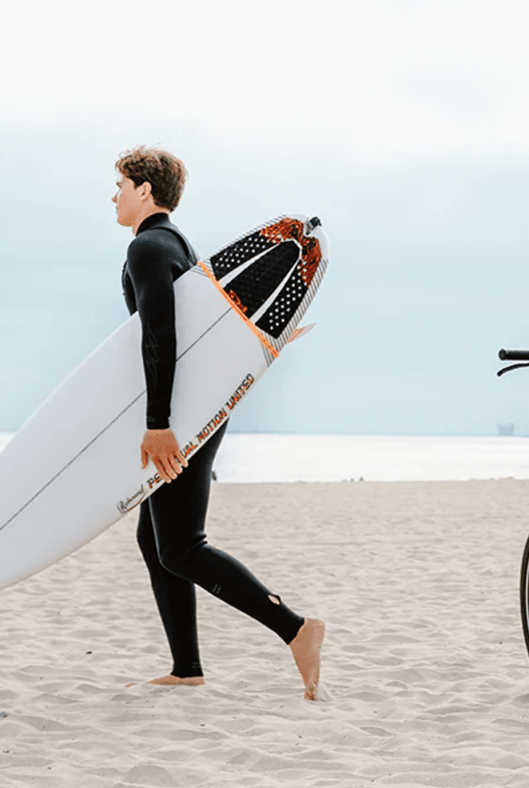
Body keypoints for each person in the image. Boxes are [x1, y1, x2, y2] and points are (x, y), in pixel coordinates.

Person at [111, 145, 325, 700]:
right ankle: (186, 667)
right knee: (154, 536)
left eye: (120, 185)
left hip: (180, 412)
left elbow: (161, 337)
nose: (114, 196)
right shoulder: (175, 243)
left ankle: (296, 629)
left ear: (144, 190)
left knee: (181, 545)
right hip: (199, 406)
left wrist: (158, 422)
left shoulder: (148, 248)